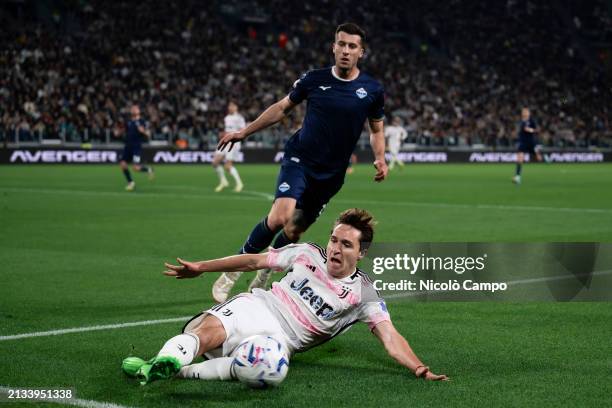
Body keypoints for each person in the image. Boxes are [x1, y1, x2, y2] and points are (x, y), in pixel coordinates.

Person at [121, 209, 449, 384]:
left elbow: (390, 336)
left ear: (361, 253)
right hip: (261, 306)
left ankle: (171, 370)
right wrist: (202, 267)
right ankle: (161, 362)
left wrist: (420, 369)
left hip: (283, 342)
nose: (335, 248)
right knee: (209, 332)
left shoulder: (364, 294)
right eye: (334, 240)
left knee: (268, 369)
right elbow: (255, 260)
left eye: (346, 244)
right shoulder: (306, 253)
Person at [211, 22, 388, 302]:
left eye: (352, 46)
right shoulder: (314, 79)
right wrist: (244, 132)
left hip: (331, 175)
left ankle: (265, 273)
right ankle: (232, 271)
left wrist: (380, 158)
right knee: (280, 216)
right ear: (334, 47)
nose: (345, 50)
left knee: (293, 230)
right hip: (300, 158)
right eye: (341, 44)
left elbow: (376, 129)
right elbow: (281, 109)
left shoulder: (372, 90)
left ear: (361, 52)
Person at [212, 102, 245, 193]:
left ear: (236, 107)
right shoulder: (226, 118)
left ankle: (239, 183)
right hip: (226, 141)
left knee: (227, 166)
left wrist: (234, 135)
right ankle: (223, 182)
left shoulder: (239, 118)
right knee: (215, 162)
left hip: (233, 143)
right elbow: (228, 130)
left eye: (232, 106)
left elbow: (243, 130)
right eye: (229, 106)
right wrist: (223, 134)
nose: (230, 107)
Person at [119, 105, 154, 191]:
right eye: (132, 109)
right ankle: (131, 183)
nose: (133, 110)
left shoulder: (142, 121)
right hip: (128, 146)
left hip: (136, 147)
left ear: (138, 111)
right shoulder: (129, 121)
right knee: (123, 164)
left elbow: (147, 133)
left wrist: (144, 132)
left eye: (135, 109)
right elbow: (127, 132)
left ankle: (149, 169)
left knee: (135, 168)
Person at [513, 107, 543, 184]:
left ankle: (546, 158)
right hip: (522, 142)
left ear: (529, 113)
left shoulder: (532, 121)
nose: (524, 113)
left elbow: (536, 130)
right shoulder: (521, 121)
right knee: (519, 159)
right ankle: (517, 177)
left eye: (526, 111)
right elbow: (522, 129)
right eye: (523, 111)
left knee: (539, 158)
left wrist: (530, 130)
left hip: (531, 143)